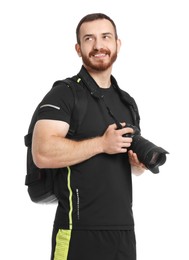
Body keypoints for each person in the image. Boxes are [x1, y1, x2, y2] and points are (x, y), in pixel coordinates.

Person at [32, 13, 146, 260]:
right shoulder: (64, 94)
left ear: (117, 43)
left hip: (123, 232)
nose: (98, 46)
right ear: (78, 48)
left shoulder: (127, 102)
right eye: (89, 39)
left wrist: (136, 165)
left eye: (105, 37)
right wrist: (102, 144)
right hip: (77, 231)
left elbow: (128, 168)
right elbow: (41, 152)